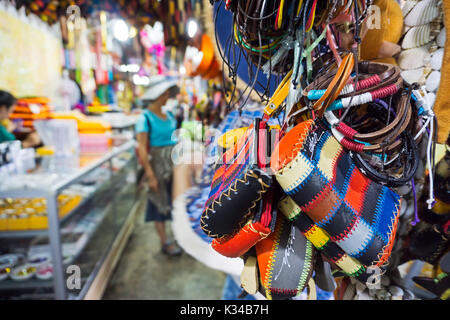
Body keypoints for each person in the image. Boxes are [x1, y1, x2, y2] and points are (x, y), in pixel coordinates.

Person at [135, 76, 182, 257]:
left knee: (175, 201)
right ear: (159, 94)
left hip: (173, 164)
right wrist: (150, 175)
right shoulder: (144, 118)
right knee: (159, 203)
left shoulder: (169, 114)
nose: (169, 95)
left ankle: (178, 236)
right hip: (156, 165)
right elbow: (141, 147)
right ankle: (165, 242)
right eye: (166, 92)